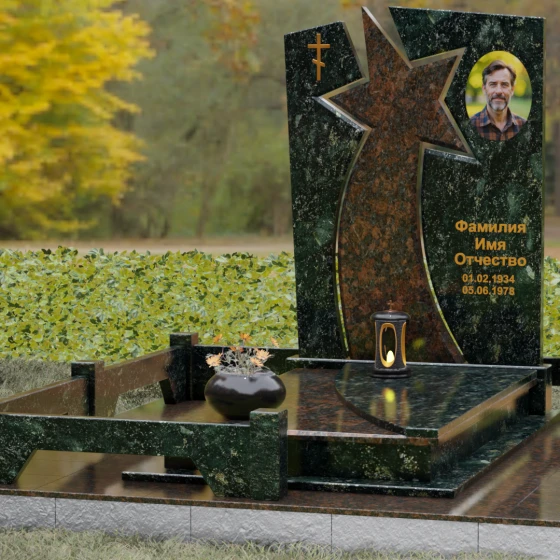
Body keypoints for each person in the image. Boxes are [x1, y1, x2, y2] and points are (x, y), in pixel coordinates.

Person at [470, 60, 526, 141]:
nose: (498, 91)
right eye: (493, 84)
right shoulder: (470, 126)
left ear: (512, 90)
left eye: (504, 84)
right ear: (484, 89)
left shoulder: (524, 126)